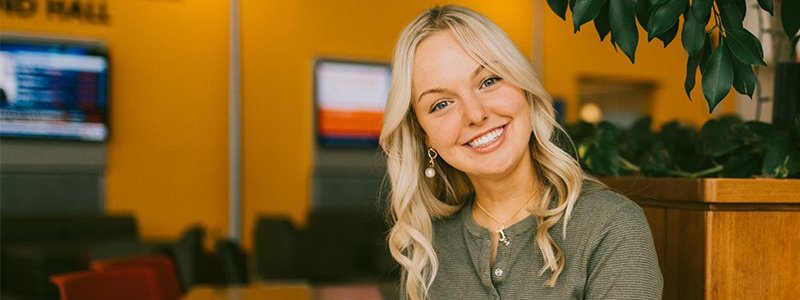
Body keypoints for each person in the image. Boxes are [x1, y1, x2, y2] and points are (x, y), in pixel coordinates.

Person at [379, 5, 662, 300]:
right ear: (424, 135)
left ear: (524, 88)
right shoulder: (428, 249)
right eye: (442, 104)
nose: (475, 114)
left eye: (489, 81)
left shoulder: (609, 225)